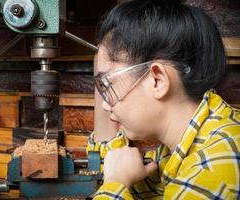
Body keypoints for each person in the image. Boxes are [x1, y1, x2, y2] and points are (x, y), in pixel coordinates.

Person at [86, 0, 240, 199]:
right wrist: (105, 72)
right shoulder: (175, 145)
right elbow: (110, 160)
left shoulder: (211, 172)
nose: (105, 105)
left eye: (108, 85)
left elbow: (113, 176)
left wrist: (115, 184)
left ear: (157, 81)